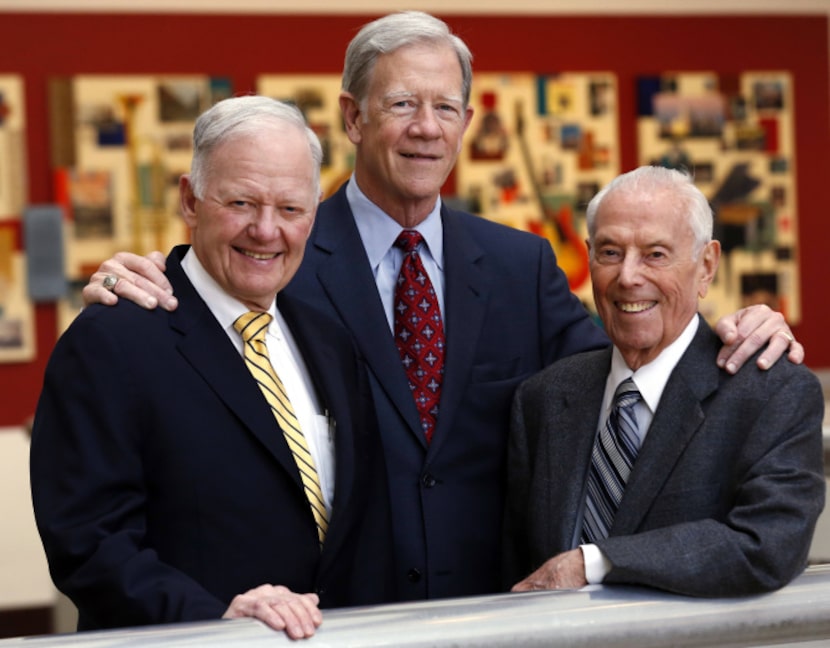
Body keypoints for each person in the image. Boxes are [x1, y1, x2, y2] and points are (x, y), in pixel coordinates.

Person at [80, 12, 802, 601]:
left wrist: (735, 328)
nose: (426, 127)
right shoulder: (277, 256)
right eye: (401, 104)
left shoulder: (521, 265)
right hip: (328, 613)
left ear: (465, 121)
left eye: (444, 107)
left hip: (493, 607)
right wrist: (134, 275)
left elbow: (623, 360)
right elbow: (197, 315)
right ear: (353, 117)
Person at [30, 96, 393, 639]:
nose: (266, 230)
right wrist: (216, 620)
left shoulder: (330, 341)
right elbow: (86, 542)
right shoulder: (111, 340)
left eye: (290, 209)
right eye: (241, 203)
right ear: (191, 199)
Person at [504, 166, 824, 597]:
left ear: (706, 266)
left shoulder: (771, 392)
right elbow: (517, 565)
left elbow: (766, 544)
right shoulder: (544, 398)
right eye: (610, 252)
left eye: (655, 254)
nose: (628, 277)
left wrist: (594, 562)